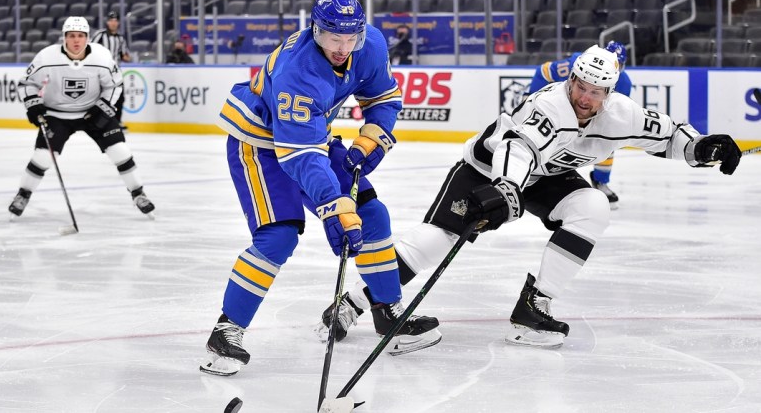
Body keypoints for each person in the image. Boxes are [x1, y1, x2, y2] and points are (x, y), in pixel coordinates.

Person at [317, 45, 741, 349]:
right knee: (437, 241)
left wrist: (702, 148)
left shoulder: (621, 114)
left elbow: (664, 134)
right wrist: (504, 187)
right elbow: (516, 147)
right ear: (571, 79)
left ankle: (533, 306)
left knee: (591, 206)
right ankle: (351, 303)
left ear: (609, 93)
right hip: (487, 171)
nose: (585, 97)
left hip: (547, 178)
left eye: (596, 91)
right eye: (580, 85)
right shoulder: (549, 106)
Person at [199, 0, 441, 377]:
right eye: (334, 39)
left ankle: (387, 313)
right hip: (259, 144)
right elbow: (300, 158)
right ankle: (226, 330)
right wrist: (333, 207)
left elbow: (382, 96)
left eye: (351, 38)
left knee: (372, 215)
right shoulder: (299, 69)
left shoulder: (370, 43)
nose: (343, 48)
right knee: (279, 235)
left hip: (309, 138)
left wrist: (374, 136)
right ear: (316, 30)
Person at [9, 16, 155, 219]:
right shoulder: (47, 56)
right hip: (57, 115)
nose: (76, 41)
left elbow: (115, 85)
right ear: (64, 37)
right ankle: (23, 194)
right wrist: (33, 105)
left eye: (80, 36)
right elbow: (26, 83)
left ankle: (138, 194)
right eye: (71, 36)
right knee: (43, 157)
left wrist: (102, 108)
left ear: (87, 37)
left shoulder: (102, 57)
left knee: (120, 151)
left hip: (92, 112)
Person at [528, 41, 631, 209]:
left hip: (587, 114)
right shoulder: (575, 63)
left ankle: (600, 181)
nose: (616, 69)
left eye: (619, 65)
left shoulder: (624, 84)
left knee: (607, 140)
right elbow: (544, 72)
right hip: (560, 108)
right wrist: (530, 98)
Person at [91, 11, 131, 128]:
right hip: (101, 72)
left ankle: (117, 122)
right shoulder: (100, 35)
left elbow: (123, 55)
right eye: (111, 20)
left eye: (115, 21)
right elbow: (90, 49)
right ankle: (96, 121)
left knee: (120, 98)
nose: (113, 23)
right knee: (100, 97)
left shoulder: (120, 38)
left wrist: (127, 57)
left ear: (118, 22)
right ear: (107, 22)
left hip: (115, 73)